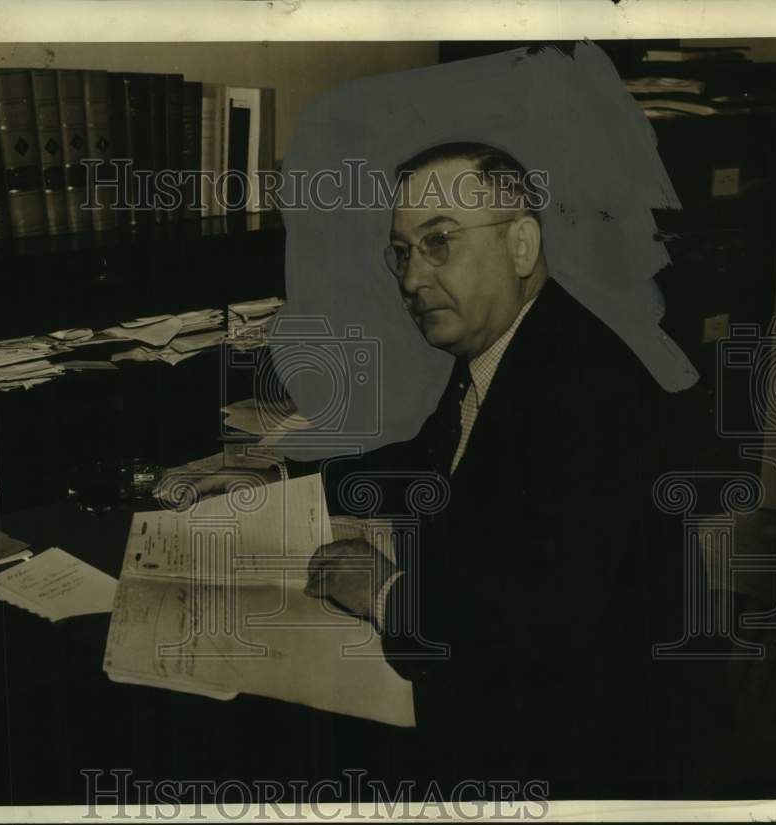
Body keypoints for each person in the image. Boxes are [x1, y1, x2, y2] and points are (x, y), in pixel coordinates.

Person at [304, 142, 738, 798]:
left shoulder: (586, 391)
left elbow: (536, 633)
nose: (411, 280)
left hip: (584, 764)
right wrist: (295, 482)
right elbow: (430, 463)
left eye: (439, 242)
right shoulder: (519, 342)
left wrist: (386, 593)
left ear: (521, 246)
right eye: (402, 252)